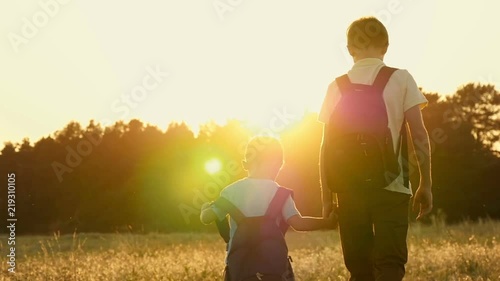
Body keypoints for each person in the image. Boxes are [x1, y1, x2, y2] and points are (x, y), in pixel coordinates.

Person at [319, 17, 433, 281]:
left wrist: (327, 197)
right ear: (387, 46)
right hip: (392, 186)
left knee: (359, 268)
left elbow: (325, 147)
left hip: (348, 189)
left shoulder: (335, 86)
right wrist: (425, 183)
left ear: (349, 49)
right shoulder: (401, 78)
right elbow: (420, 135)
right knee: (390, 263)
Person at [201, 136, 336, 281]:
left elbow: (207, 218)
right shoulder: (280, 193)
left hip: (239, 271)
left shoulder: (231, 192)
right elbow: (299, 223)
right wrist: (326, 222)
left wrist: (204, 208)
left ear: (246, 163)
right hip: (275, 271)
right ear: (277, 164)